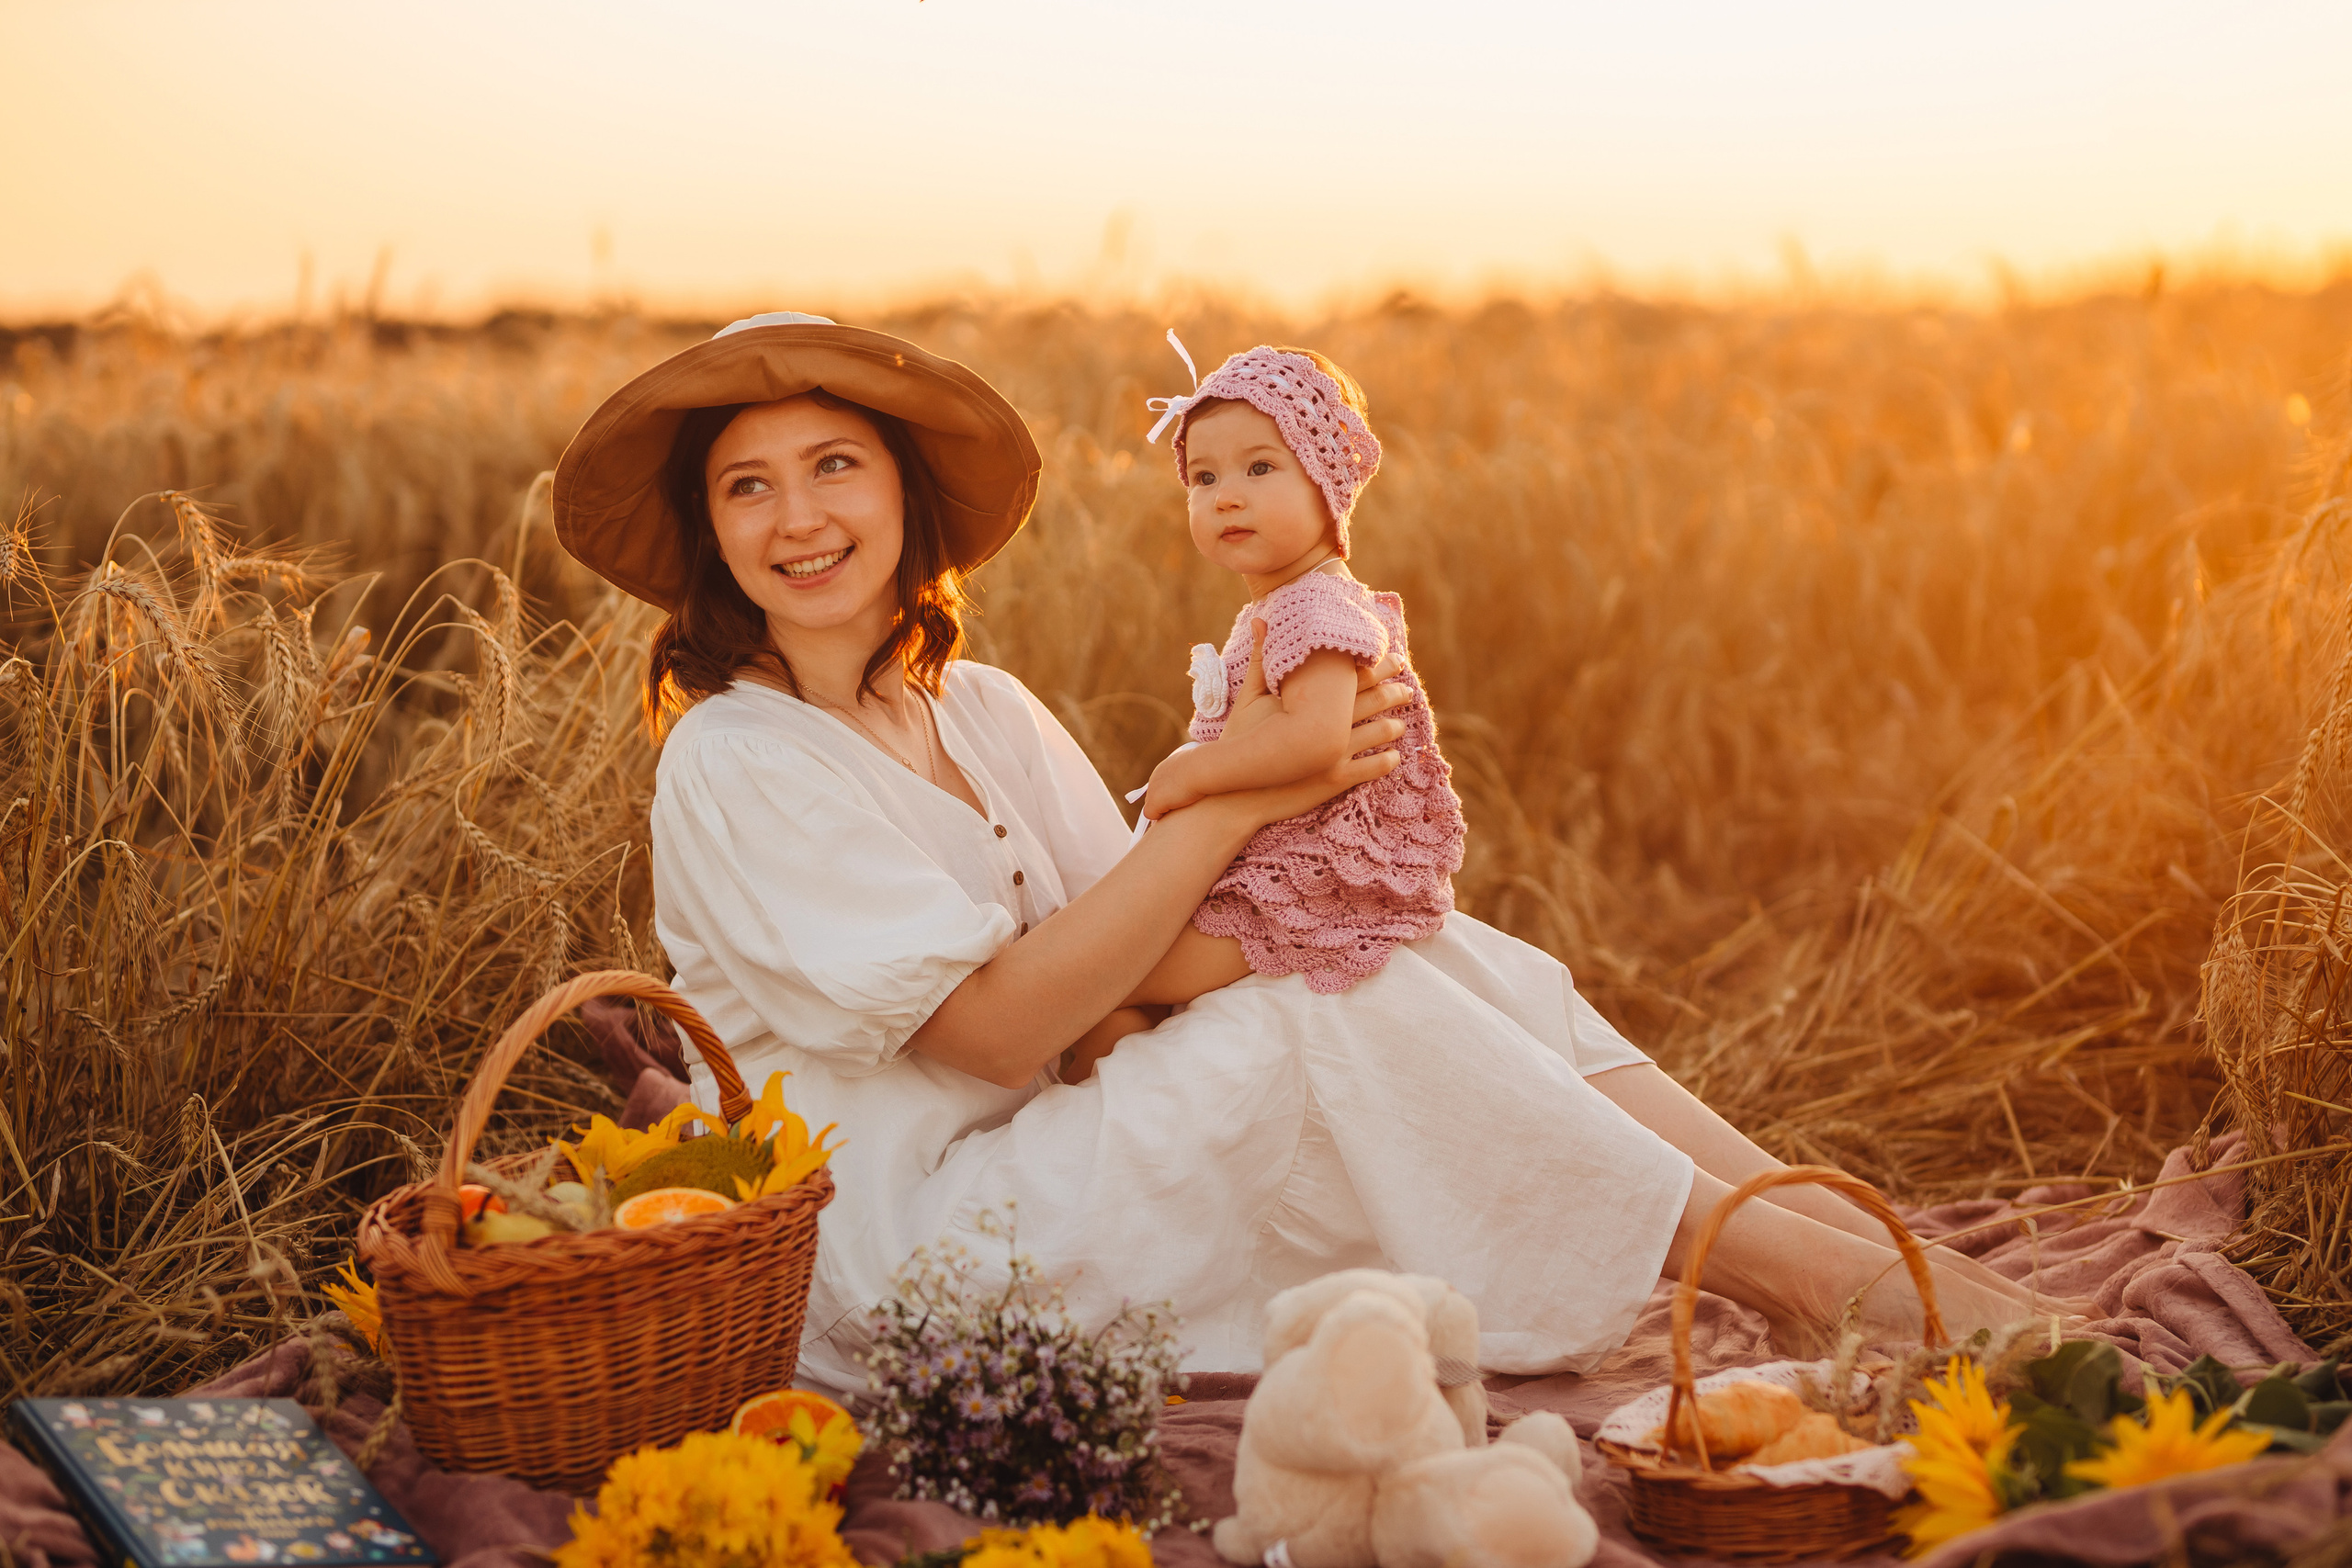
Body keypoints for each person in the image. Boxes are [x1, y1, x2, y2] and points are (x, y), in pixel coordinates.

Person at [552, 311, 2060, 1402]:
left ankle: (1835, 1224)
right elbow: (1008, 1024)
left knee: (1409, 951)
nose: (799, 517)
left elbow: (1131, 951)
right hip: (918, 1244)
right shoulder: (736, 758)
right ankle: (1805, 1278)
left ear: (903, 499)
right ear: (709, 529)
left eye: (834, 467)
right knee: (1326, 997)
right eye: (748, 485)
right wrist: (1245, 784)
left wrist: (1271, 842)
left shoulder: (984, 707)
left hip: (1054, 1134)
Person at [1062, 337, 1462, 1080]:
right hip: (1263, 860)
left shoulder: (1319, 608)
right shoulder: (1280, 606)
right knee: (1117, 997)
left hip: (1308, 877)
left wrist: (1188, 773)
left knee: (1105, 978)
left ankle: (1109, 1108)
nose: (1226, 495)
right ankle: (1112, 1099)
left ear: (1326, 486)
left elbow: (1314, 740)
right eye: (1203, 476)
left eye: (1260, 467)